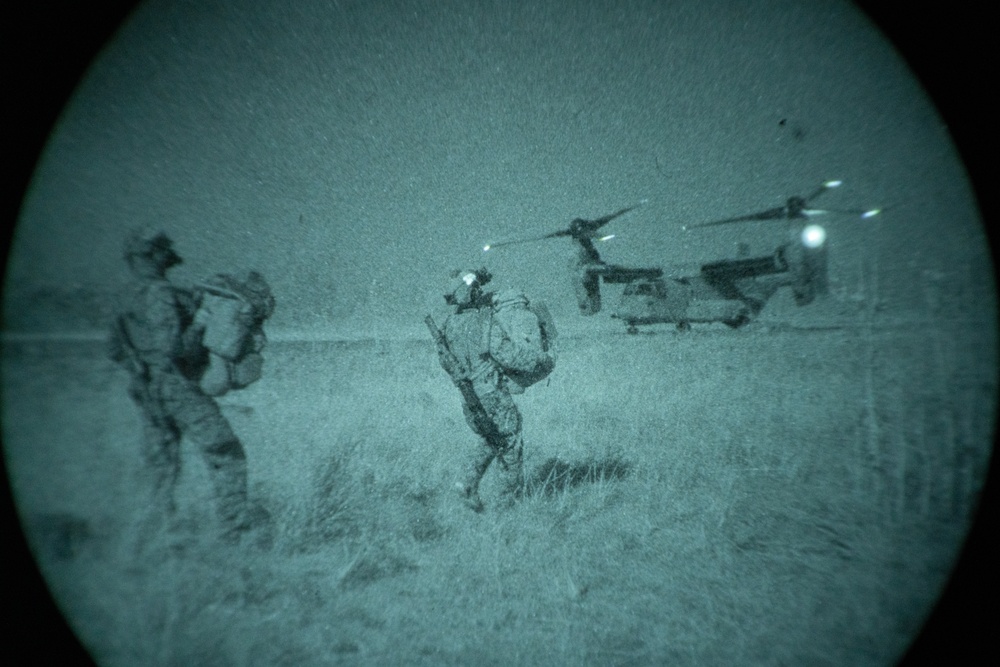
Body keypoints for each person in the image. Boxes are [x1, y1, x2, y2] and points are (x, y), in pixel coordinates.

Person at [107, 228, 258, 546]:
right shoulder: (161, 293)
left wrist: (144, 370)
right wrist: (201, 322)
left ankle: (149, 539)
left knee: (161, 465)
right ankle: (236, 532)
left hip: (145, 390)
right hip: (177, 387)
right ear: (153, 255)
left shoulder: (124, 295)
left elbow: (114, 349)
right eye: (162, 250)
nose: (168, 254)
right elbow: (173, 349)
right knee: (225, 451)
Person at [427, 269, 556, 512]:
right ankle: (507, 505)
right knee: (510, 442)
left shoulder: (448, 326)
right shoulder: (483, 322)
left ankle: (466, 483)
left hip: (469, 398)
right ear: (472, 291)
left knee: (492, 439)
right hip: (491, 394)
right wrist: (541, 360)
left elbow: (447, 364)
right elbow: (508, 355)